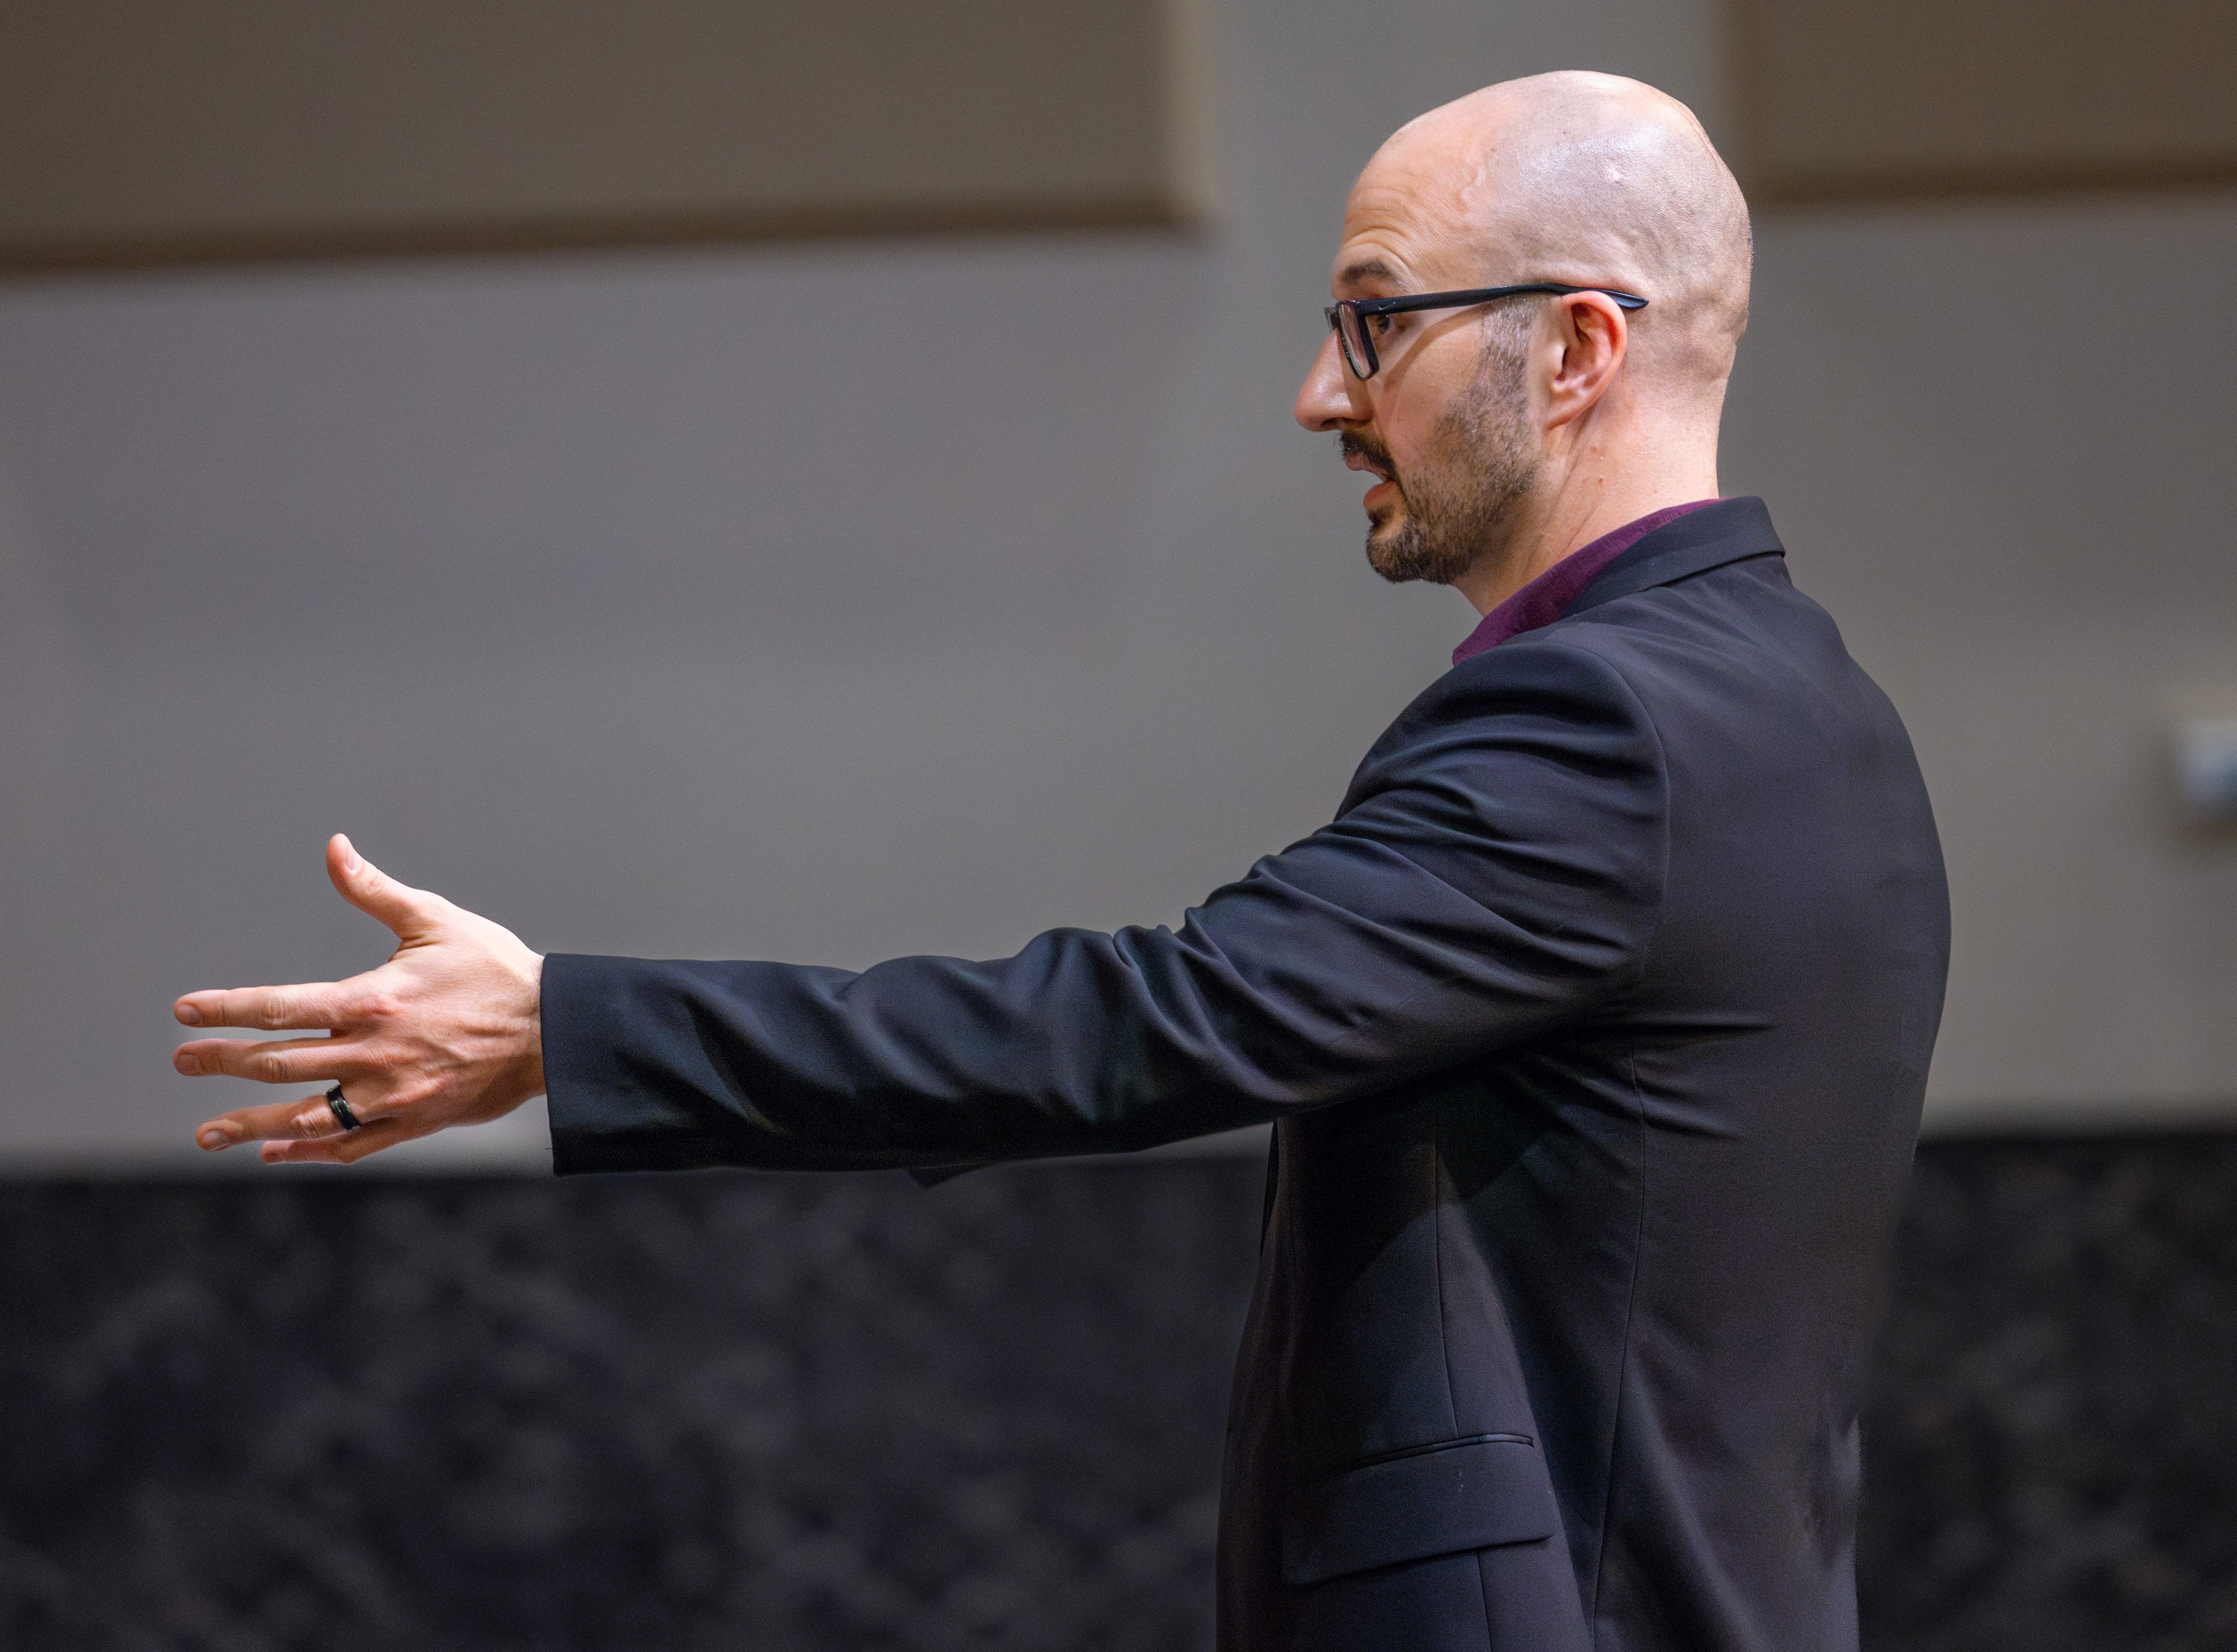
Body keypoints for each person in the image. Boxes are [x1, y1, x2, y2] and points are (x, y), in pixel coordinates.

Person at [176, 71, 1949, 1652]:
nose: (1319, 395)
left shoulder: (1605, 723)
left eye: (1373, 323)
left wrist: (561, 1026)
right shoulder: (1807, 704)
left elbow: (1144, 1021)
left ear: (1573, 349)